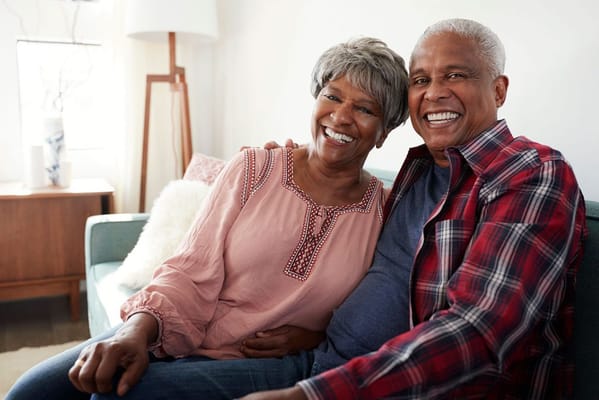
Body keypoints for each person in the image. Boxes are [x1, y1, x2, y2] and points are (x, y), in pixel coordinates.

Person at [5, 37, 410, 400]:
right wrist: (136, 330)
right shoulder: (254, 168)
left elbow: (371, 317)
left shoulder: (386, 211)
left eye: (364, 109)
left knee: (113, 395)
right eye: (333, 96)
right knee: (30, 392)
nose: (340, 117)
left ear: (384, 131)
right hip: (178, 323)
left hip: (260, 362)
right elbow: (190, 270)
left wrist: (317, 336)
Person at [238, 18, 587, 399]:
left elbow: (479, 332)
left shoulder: (530, 173)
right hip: (322, 362)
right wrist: (283, 171)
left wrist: (311, 395)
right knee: (163, 382)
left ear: (498, 90)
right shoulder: (417, 172)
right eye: (420, 80)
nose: (434, 93)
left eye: (454, 75)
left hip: (380, 390)